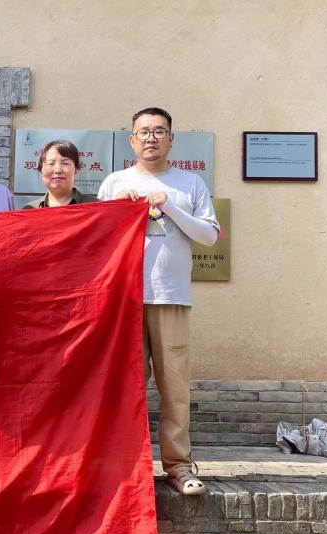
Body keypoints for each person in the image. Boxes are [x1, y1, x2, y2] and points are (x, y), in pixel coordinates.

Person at [98, 107, 220, 496]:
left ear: (171, 139)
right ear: (131, 140)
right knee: (125, 388)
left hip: (171, 297)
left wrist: (169, 205)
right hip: (125, 300)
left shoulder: (190, 183)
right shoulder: (115, 182)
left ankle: (178, 466)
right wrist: (117, 208)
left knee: (175, 387)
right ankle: (124, 468)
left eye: (159, 131)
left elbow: (209, 236)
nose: (151, 138)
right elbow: (96, 239)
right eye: (144, 131)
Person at [22, 139, 100, 209]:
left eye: (65, 163)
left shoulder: (96, 207)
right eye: (51, 163)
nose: (58, 170)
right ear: (41, 171)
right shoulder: (30, 210)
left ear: (76, 169)